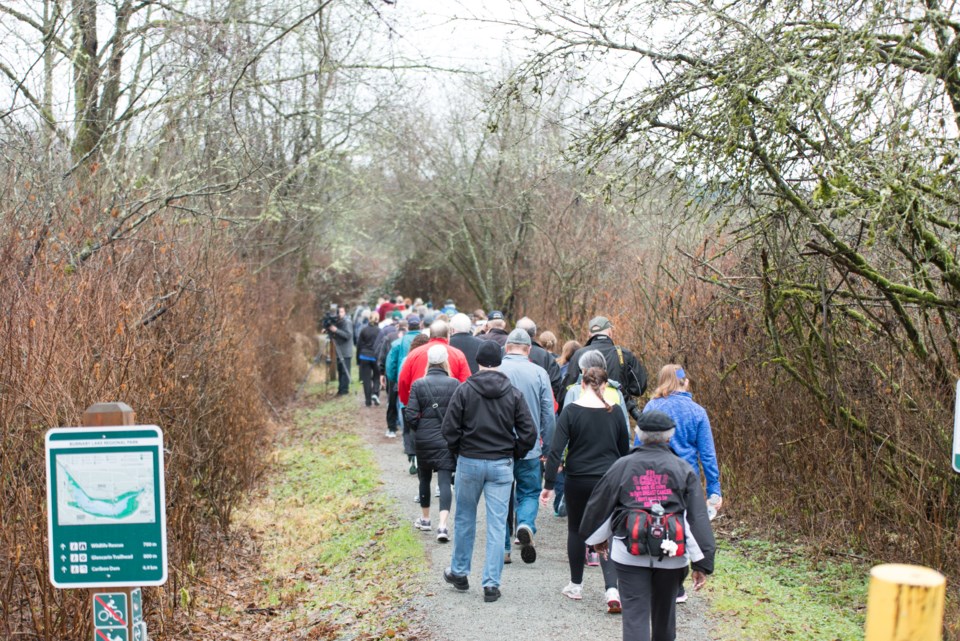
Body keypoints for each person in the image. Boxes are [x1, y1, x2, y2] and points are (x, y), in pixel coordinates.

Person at [580, 411, 716, 641]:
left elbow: (599, 504)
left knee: (634, 616)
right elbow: (697, 517)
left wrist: (594, 539)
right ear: (669, 436)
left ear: (638, 434)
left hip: (629, 552)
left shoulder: (622, 466)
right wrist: (703, 562)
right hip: (672, 554)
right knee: (665, 617)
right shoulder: (683, 469)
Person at [441, 341, 537, 603]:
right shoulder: (513, 393)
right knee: (497, 525)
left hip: (470, 461)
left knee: (464, 518)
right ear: (500, 362)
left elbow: (449, 429)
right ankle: (491, 584)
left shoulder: (464, 391)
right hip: (501, 464)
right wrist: (513, 451)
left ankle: (460, 572)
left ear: (478, 362)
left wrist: (459, 449)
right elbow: (529, 432)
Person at [541, 365, 630, 613]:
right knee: (608, 531)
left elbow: (556, 451)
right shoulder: (615, 413)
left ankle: (576, 585)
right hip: (608, 480)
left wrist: (548, 485)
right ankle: (611, 588)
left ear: (582, 385)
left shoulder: (570, 412)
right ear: (604, 386)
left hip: (578, 479)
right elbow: (625, 452)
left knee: (576, 530)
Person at [640, 364, 722, 604]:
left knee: (656, 524)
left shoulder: (652, 406)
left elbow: (639, 442)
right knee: (683, 529)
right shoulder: (697, 411)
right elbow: (707, 455)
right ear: (685, 382)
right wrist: (714, 489)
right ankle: (676, 584)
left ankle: (655, 576)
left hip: (654, 475)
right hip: (687, 478)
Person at [498, 328, 556, 565]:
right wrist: (548, 446)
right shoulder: (539, 372)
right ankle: (525, 524)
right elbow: (548, 414)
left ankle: (503, 549)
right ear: (529, 349)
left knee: (500, 496)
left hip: (498, 446)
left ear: (506, 347)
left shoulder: (496, 371)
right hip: (530, 446)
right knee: (530, 491)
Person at [404, 344, 460, 542]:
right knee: (445, 482)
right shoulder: (455, 384)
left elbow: (410, 414)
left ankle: (426, 519)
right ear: (446, 361)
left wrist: (421, 428)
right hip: (446, 440)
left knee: (424, 479)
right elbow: (460, 414)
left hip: (424, 440)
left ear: (429, 361)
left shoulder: (419, 384)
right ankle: (443, 525)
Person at [563, 316, 648, 420]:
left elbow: (567, 389)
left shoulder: (579, 355)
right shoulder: (624, 354)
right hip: (617, 416)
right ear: (610, 332)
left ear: (589, 334)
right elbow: (640, 388)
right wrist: (622, 387)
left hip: (583, 417)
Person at [398, 320, 471, 406]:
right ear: (448, 335)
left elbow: (403, 381)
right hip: (450, 409)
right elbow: (466, 384)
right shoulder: (458, 355)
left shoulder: (414, 354)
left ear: (430, 335)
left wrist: (409, 403)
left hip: (420, 408)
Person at [515, 317, 563, 402]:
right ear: (535, 333)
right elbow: (555, 384)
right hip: (538, 405)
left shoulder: (504, 352)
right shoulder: (546, 356)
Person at [377, 314, 405, 437]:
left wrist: (382, 372)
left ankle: (392, 428)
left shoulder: (389, 337)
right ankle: (406, 428)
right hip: (406, 374)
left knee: (392, 401)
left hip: (392, 374)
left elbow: (383, 356)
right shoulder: (414, 339)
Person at [356, 311, 382, 407]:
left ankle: (368, 400)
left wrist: (358, 360)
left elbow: (359, 345)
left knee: (366, 379)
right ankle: (375, 393)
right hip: (375, 357)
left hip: (364, 356)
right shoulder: (380, 331)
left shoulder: (363, 330)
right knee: (376, 376)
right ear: (377, 319)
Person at [327, 305, 354, 396]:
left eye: (342, 312)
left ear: (345, 312)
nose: (340, 314)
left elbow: (347, 335)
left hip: (346, 351)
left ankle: (344, 390)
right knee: (340, 370)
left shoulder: (347, 322)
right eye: (338, 312)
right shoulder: (338, 322)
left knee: (344, 371)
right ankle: (341, 390)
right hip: (339, 350)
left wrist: (336, 330)